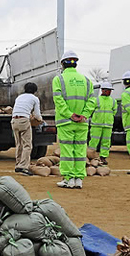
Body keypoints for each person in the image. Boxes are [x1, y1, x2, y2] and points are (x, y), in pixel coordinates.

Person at [53, 51, 95, 189]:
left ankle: (69, 178)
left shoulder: (58, 79)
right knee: (80, 150)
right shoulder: (87, 80)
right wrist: (84, 115)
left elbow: (58, 100)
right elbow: (92, 100)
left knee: (67, 151)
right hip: (82, 123)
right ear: (75, 63)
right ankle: (79, 179)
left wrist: (70, 114)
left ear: (62, 64)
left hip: (66, 122)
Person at [11, 82, 42, 176]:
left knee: (19, 144)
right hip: (24, 120)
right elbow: (37, 114)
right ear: (35, 91)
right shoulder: (34, 98)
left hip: (13, 121)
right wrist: (40, 120)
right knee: (27, 145)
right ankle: (23, 167)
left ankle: (18, 164)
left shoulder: (19, 97)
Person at [87, 82, 117, 165]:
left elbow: (114, 111)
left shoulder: (113, 101)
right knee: (94, 141)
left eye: (110, 90)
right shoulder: (96, 100)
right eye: (108, 90)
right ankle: (90, 156)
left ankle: (103, 157)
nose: (110, 92)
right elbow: (91, 111)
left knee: (106, 142)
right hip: (96, 125)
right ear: (103, 90)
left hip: (108, 125)